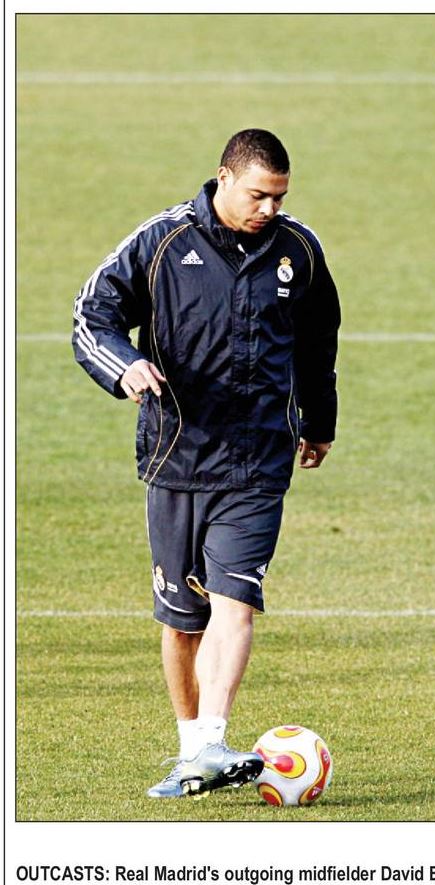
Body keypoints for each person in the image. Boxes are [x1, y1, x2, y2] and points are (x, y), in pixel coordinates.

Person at [73, 129, 341, 796]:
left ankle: (216, 740)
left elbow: (318, 342)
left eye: (280, 197)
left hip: (258, 460)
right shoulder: (162, 242)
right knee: (181, 619)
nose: (270, 209)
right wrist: (124, 365)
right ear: (224, 179)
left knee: (235, 600)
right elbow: (91, 316)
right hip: (178, 455)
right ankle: (192, 751)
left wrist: (319, 422)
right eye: (258, 195)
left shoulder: (299, 250)